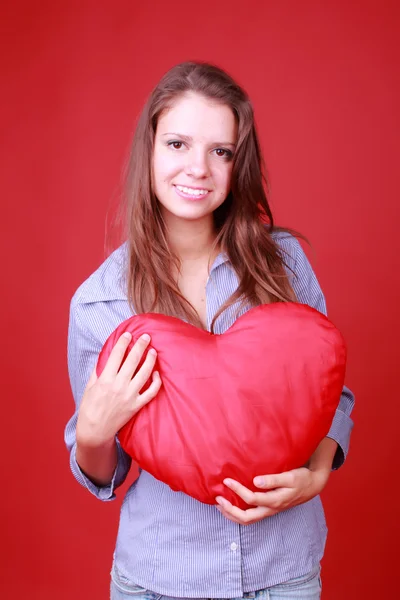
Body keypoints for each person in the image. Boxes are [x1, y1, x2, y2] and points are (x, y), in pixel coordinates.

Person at [64, 61, 355, 600]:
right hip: (159, 579)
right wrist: (91, 432)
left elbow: (329, 392)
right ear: (148, 150)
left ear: (237, 164)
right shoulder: (100, 302)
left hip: (282, 572)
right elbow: (106, 472)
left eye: (220, 151)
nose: (197, 168)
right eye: (177, 144)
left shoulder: (284, 262)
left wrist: (317, 472)